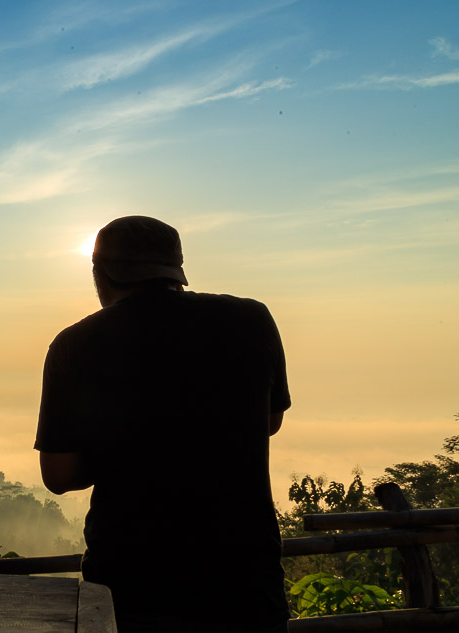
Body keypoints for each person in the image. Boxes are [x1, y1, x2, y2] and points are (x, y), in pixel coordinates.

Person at [35, 215, 290, 633]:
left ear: (100, 273)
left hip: (134, 581)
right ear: (177, 268)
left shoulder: (76, 344)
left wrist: (126, 448)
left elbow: (59, 475)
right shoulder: (251, 320)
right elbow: (270, 421)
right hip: (244, 577)